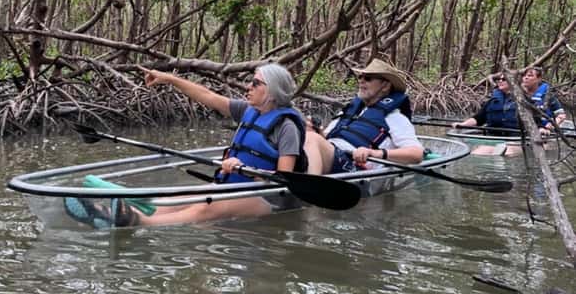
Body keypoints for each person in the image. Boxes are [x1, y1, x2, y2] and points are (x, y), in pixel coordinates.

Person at [117, 63, 307, 226]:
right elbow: (206, 95)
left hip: (269, 199)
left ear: (273, 92)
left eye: (256, 83)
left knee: (207, 205)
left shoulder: (287, 128)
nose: (248, 86)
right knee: (178, 200)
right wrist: (169, 79)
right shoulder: (247, 110)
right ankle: (128, 214)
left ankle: (139, 223)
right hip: (234, 187)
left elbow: (283, 181)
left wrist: (246, 171)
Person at [304, 59, 423, 175]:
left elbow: (416, 154)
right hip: (332, 154)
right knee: (301, 132)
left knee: (311, 138)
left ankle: (310, 185)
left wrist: (375, 153)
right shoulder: (348, 111)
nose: (361, 81)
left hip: (354, 165)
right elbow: (325, 139)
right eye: (360, 77)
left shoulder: (395, 118)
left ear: (385, 86)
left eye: (368, 78)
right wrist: (316, 130)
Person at [456, 67, 566, 156]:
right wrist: (462, 125)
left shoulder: (526, 101)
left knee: (508, 153)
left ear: (513, 83)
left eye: (504, 79)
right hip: (494, 138)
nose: (500, 81)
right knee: (478, 154)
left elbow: (538, 121)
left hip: (517, 140)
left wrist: (545, 128)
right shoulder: (492, 100)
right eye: (499, 79)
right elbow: (478, 118)